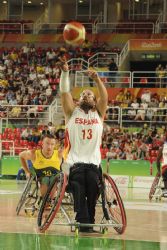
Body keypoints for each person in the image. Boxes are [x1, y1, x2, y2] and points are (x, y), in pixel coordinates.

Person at [59, 59, 108, 232]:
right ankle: (83, 223)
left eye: (89, 94)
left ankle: (89, 221)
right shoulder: (71, 112)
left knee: (93, 187)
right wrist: (65, 73)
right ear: (78, 100)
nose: (86, 95)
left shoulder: (98, 113)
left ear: (94, 101)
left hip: (93, 163)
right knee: (79, 185)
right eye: (83, 95)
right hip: (73, 163)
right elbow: (64, 93)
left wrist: (97, 80)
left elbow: (105, 97)